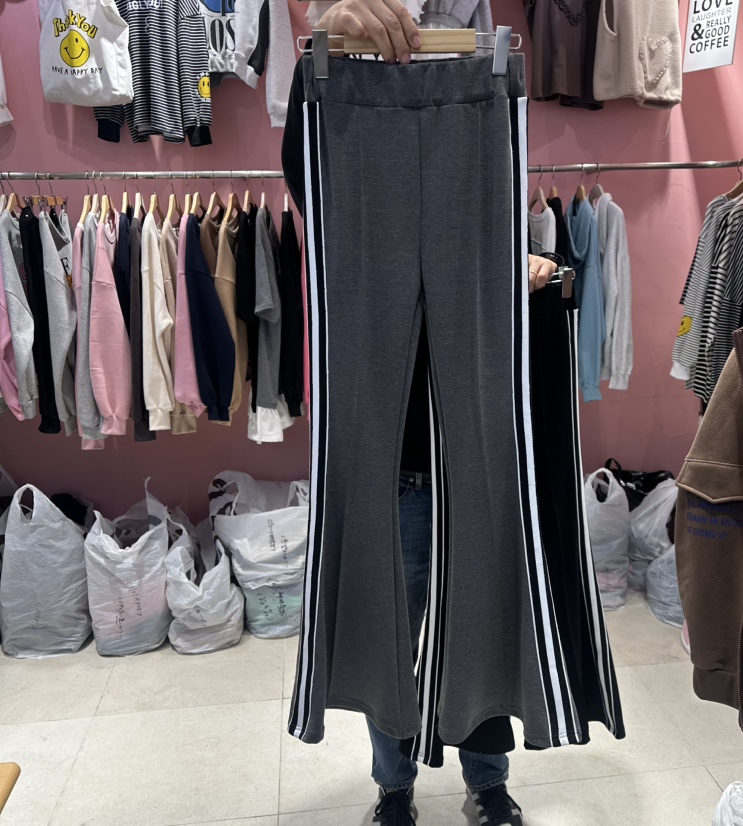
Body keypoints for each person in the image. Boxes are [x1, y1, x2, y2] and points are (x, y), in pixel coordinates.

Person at [292, 3, 559, 823]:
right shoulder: (342, 130)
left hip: (467, 451)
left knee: (481, 599)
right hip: (401, 464)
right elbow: (305, 171)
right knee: (389, 612)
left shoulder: (484, 133)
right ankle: (394, 785)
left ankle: (487, 783)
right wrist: (325, 57)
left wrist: (524, 273)